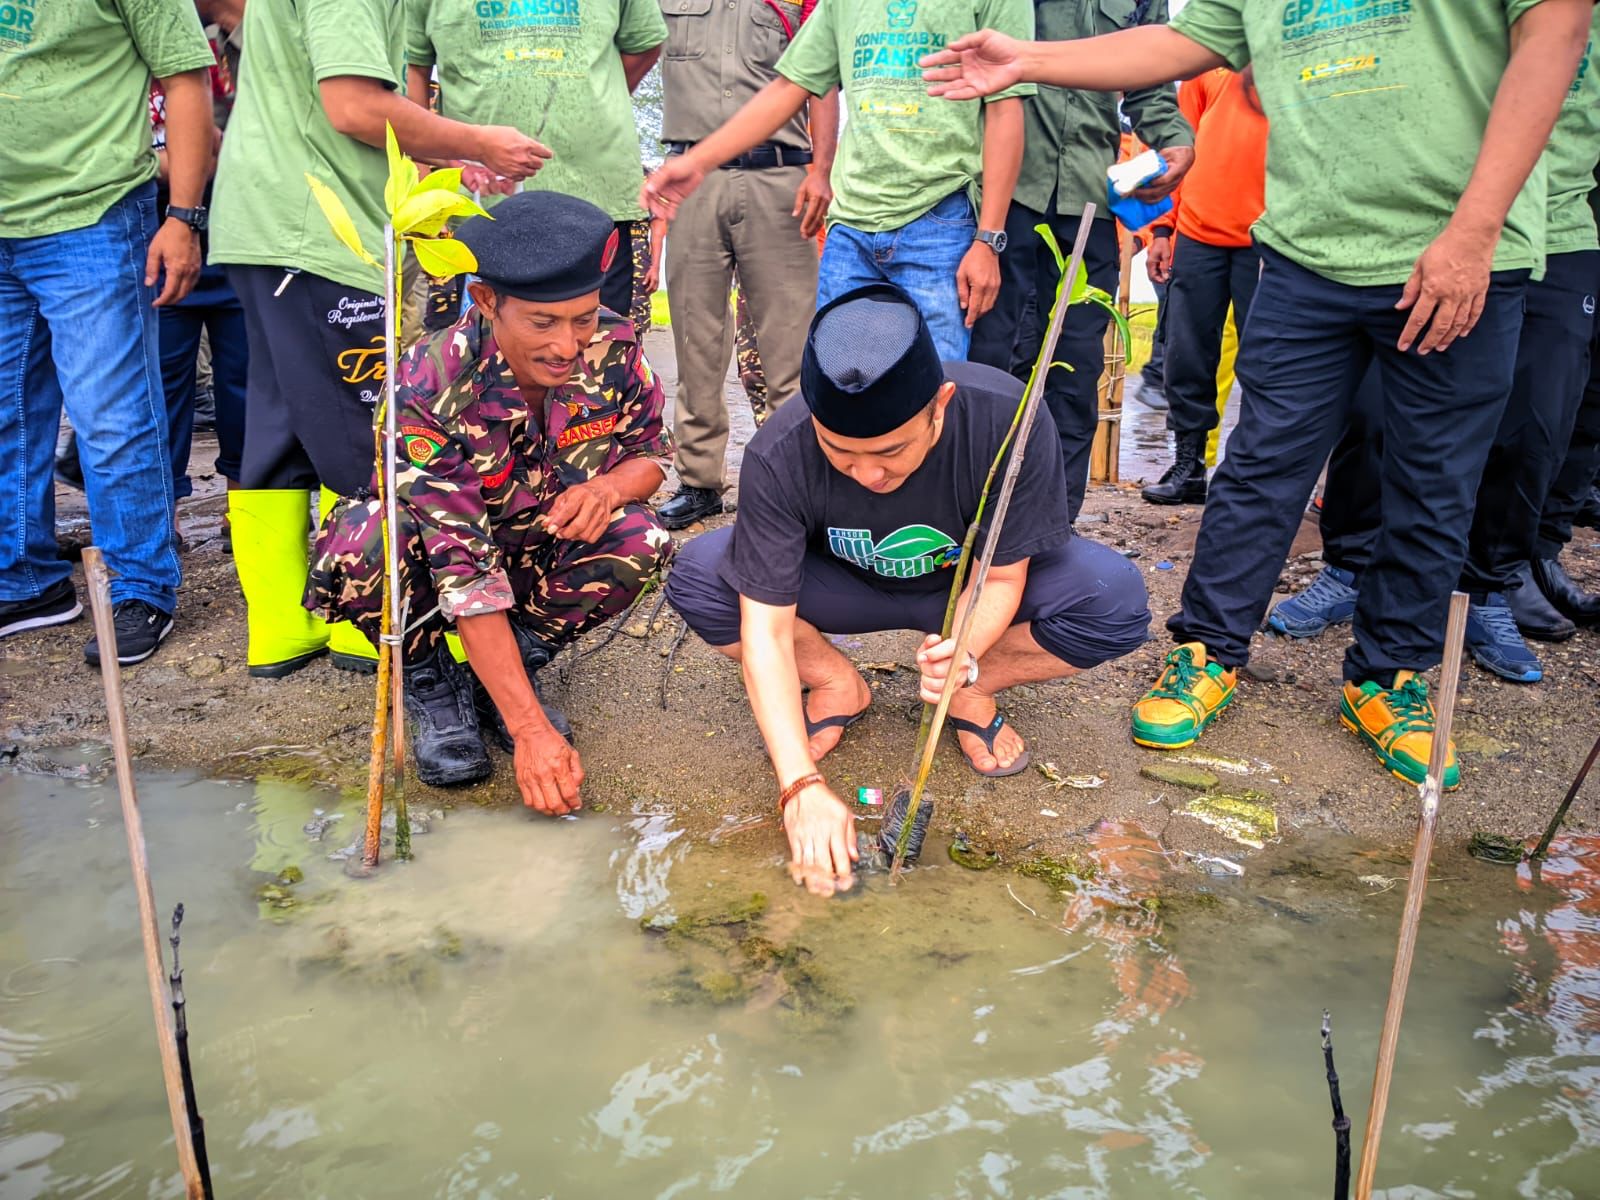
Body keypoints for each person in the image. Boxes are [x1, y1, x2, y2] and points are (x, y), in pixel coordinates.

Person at [922, 0, 1591, 789]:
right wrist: (1028, 60)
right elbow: (1173, 42)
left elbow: (1555, 33)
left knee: (1433, 476)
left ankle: (1388, 676)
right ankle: (1207, 649)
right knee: (1259, 465)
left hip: (1450, 251)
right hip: (1306, 254)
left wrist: (1476, 231)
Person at [665, 285, 1151, 896]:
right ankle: (836, 680)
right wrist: (799, 787)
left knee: (1113, 597)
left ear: (940, 406)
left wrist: (964, 654)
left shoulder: (1008, 422)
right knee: (702, 574)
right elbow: (763, 628)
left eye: (891, 451)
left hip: (963, 587)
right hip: (839, 584)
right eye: (839, 452)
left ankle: (965, 690)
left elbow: (1001, 576)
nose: (868, 474)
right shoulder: (778, 452)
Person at [209, 0, 551, 679]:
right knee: (366, 430)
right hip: (316, 229)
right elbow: (355, 107)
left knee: (279, 424)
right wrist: (476, 141)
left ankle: (283, 625)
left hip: (272, 223)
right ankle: (375, 623)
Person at [308, 192, 674, 797]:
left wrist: (606, 489)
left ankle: (502, 680)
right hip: (440, 561)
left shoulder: (614, 345)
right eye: (542, 323)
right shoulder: (428, 383)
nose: (568, 345)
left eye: (582, 317)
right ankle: (428, 681)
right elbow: (465, 570)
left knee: (642, 535)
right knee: (364, 541)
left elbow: (652, 457)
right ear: (486, 301)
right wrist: (532, 732)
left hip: (537, 548)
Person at [1270, 24, 1600, 683]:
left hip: (1556, 223)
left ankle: (1482, 588)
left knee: (1535, 417)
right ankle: (1352, 566)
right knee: (1373, 411)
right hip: (1419, 218)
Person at [641, 0, 1035, 364]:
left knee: (935, 385)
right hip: (851, 228)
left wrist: (988, 239)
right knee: (837, 382)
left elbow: (1005, 109)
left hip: (940, 220)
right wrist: (697, 162)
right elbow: (790, 87)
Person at [0, 0, 214, 663]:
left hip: (89, 216)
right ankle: (26, 579)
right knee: (7, 411)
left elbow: (185, 80)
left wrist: (183, 216)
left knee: (113, 418)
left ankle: (140, 588)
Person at [967, 0, 1192, 521]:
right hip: (1003, 202)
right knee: (992, 366)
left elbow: (1151, 78)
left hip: (1087, 207)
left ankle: (1052, 529)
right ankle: (972, 525)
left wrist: (1175, 139)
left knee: (1075, 371)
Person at [649, 0, 837, 531]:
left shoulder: (802, 3)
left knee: (789, 348)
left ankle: (792, 483)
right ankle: (699, 481)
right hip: (691, 179)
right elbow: (633, 48)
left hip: (781, 178)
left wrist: (821, 169)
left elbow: (821, 80)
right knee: (695, 339)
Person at [404, 0, 666, 322]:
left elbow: (645, 44)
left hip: (597, 197)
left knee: (597, 354)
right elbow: (412, 68)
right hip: (482, 209)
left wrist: (591, 102)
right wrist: (436, 176)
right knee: (485, 352)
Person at [1140, 66, 1265, 506]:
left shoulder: (1286, 51)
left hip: (1267, 235)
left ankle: (1252, 477)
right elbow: (1178, 151)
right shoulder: (1207, 69)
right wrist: (1161, 230)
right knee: (1186, 354)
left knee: (1267, 362)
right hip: (1197, 233)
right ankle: (1189, 466)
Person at [152, 20, 248, 537]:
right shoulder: (152, 29)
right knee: (159, 386)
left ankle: (248, 516)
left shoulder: (257, 36)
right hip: (161, 230)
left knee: (248, 384)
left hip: (249, 228)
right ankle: (159, 524)